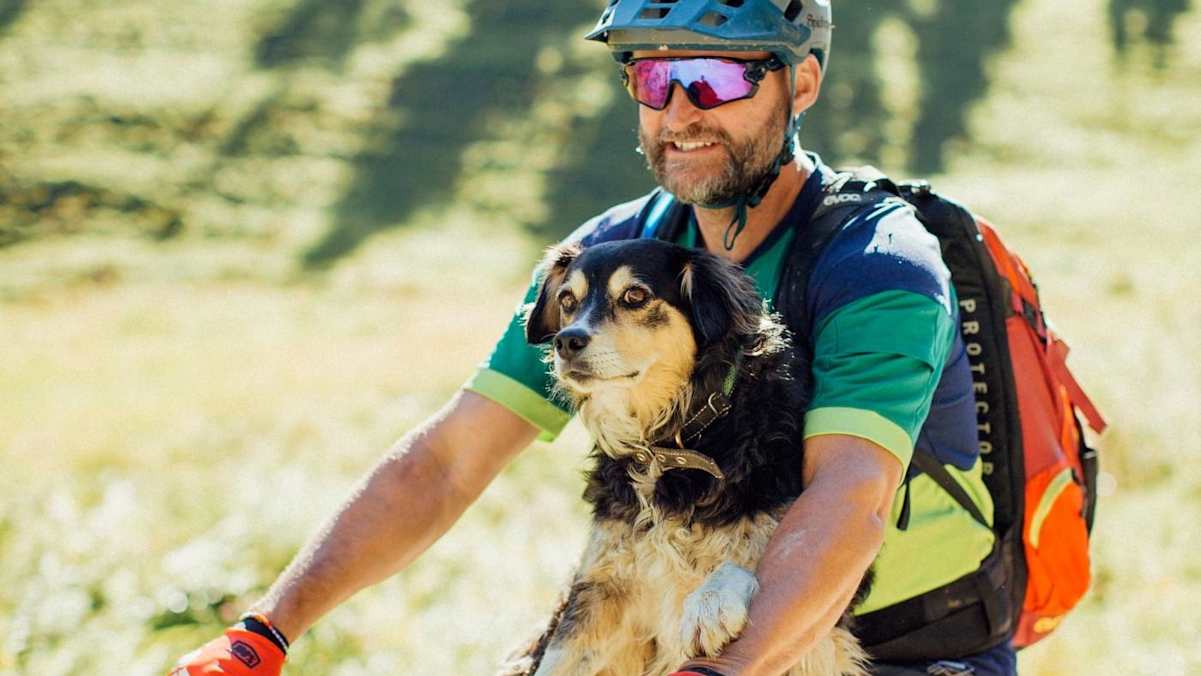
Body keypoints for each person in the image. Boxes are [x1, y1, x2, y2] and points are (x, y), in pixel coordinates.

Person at [171, 1, 1018, 675]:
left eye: (715, 76)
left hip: (900, 653)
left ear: (800, 85)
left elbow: (848, 500)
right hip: (676, 642)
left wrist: (727, 671)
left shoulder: (876, 263)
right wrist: (263, 633)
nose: (678, 112)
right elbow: (445, 464)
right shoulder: (610, 254)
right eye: (651, 78)